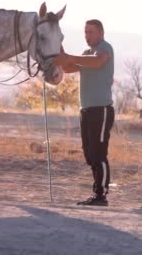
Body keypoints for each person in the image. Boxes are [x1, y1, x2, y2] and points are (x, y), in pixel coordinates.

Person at [54, 19, 115, 206]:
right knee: (89, 154)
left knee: (99, 153)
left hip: (101, 110)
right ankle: (97, 193)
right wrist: (60, 54)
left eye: (90, 32)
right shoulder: (86, 53)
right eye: (85, 32)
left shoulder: (105, 49)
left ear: (101, 33)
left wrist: (69, 57)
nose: (87, 35)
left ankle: (101, 195)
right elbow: (69, 67)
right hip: (86, 110)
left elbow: (97, 62)